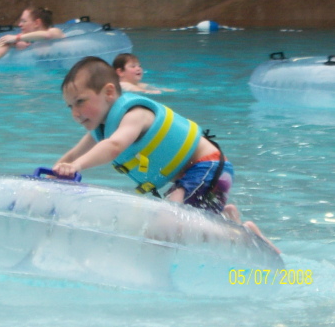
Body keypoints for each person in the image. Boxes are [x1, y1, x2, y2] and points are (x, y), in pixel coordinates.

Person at [53, 56, 279, 253]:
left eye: (80, 102)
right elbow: (74, 153)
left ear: (109, 92)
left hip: (207, 168)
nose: (75, 113)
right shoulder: (102, 128)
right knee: (169, 222)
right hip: (193, 176)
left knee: (168, 224)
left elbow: (114, 146)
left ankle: (243, 236)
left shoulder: (135, 114)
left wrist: (76, 167)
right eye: (69, 106)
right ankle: (228, 222)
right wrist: (56, 172)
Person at [0, 7, 65, 51]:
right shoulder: (29, 40)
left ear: (37, 23)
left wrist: (17, 38)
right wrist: (14, 45)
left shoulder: (55, 31)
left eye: (24, 21)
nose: (19, 25)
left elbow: (47, 35)